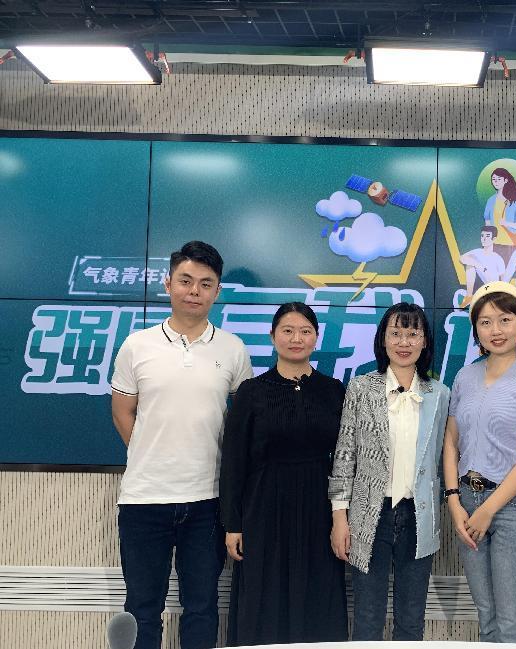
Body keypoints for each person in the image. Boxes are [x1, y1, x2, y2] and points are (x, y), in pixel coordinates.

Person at [111, 241, 253, 649]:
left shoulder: (233, 349)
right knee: (142, 608)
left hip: (207, 503)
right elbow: (122, 413)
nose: (194, 291)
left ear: (217, 291)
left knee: (202, 607)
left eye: (205, 284)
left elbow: (242, 423)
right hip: (144, 500)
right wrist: (152, 453)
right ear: (168, 283)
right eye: (186, 281)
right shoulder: (137, 345)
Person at [220, 302, 348, 645]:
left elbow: (345, 459)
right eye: (287, 331)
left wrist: (343, 516)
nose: (296, 339)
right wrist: (233, 524)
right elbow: (233, 461)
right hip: (263, 508)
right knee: (264, 595)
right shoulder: (251, 391)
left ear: (316, 337)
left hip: (318, 508)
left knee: (318, 595)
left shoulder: (333, 390)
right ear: (272, 336)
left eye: (305, 331)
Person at [442, 281, 516, 644]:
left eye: (505, 320)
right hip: (467, 502)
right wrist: (453, 501)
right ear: (475, 329)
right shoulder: (465, 376)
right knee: (487, 619)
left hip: (515, 507)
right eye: (486, 322)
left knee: (512, 624)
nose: (496, 330)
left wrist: (489, 510)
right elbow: (451, 442)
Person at [329, 302, 450, 641]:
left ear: (425, 341)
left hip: (418, 515)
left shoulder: (439, 394)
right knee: (368, 618)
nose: (404, 342)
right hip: (370, 513)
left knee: (411, 620)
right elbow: (344, 455)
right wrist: (340, 518)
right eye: (395, 333)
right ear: (383, 339)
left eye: (413, 334)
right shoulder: (361, 388)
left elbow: (445, 456)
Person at [483, 167, 516, 261]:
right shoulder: (490, 200)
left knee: (508, 268)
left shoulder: (514, 201)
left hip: (510, 243)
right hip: (494, 244)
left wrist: (506, 223)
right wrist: (488, 242)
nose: (496, 182)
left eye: (499, 179)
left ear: (505, 180)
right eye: (494, 179)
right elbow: (487, 224)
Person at [459, 225, 507, 308]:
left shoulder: (497, 258)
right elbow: (462, 258)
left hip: (493, 289)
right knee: (470, 264)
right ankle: (469, 296)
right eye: (482, 236)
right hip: (481, 286)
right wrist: (479, 265)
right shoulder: (477, 252)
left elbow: (503, 279)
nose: (484, 239)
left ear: (494, 239)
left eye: (487, 236)